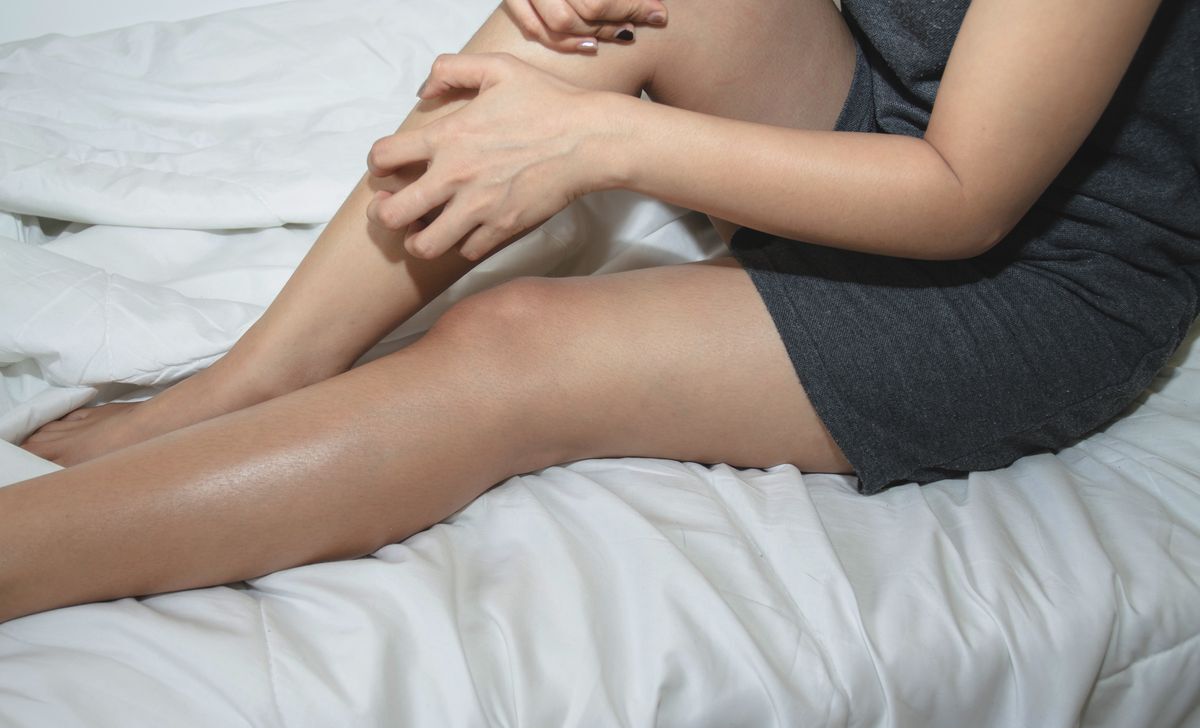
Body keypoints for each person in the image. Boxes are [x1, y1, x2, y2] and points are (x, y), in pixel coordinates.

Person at [1, 0, 1196, 623]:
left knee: (517, 344)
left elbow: (963, 200)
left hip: (1040, 272)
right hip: (882, 116)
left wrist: (601, 138)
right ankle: (249, 377)